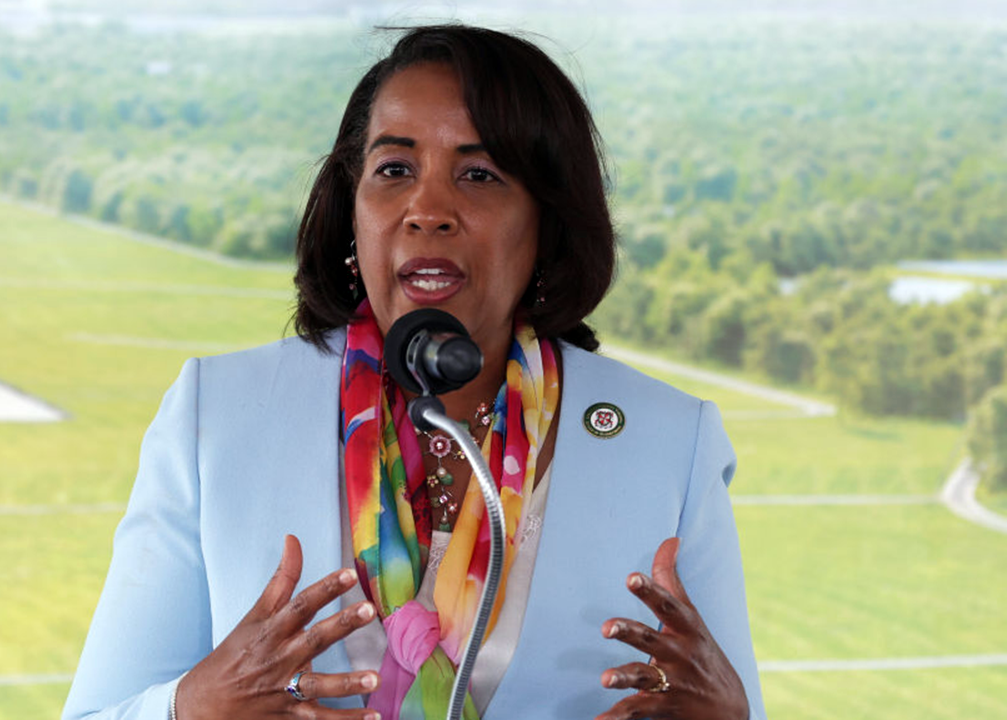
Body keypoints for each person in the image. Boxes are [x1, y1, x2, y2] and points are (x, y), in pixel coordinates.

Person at [62, 24, 765, 720]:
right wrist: (191, 708)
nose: (428, 211)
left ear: (548, 221)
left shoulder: (673, 441)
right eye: (394, 170)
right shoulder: (216, 416)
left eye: (479, 175)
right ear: (352, 210)